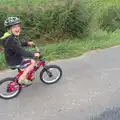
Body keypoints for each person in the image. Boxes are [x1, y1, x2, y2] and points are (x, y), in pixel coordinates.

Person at [0, 17, 40, 85]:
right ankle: (22, 78)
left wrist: (27, 43)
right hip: (16, 61)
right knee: (32, 62)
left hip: (12, 59)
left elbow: (17, 44)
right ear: (9, 29)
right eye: (14, 27)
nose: (17, 29)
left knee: (29, 61)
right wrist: (34, 54)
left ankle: (26, 75)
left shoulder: (8, 37)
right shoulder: (11, 40)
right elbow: (22, 52)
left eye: (18, 26)